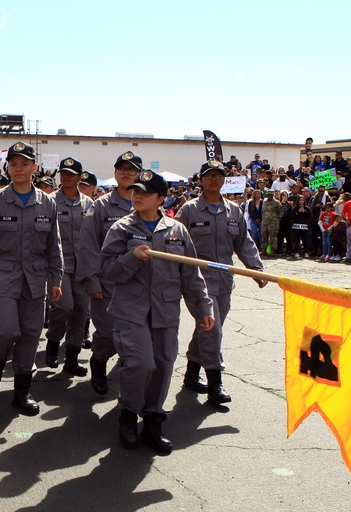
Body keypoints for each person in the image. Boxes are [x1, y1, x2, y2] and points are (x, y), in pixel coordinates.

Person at [100, 170, 214, 453]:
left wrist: (203, 307)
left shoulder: (177, 231)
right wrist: (131, 257)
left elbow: (191, 275)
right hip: (131, 309)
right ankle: (128, 413)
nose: (137, 196)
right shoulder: (122, 228)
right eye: (135, 191)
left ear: (161, 198)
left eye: (145, 193)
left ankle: (153, 420)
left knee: (163, 366)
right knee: (140, 364)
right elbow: (107, 271)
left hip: (165, 310)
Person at [0, 141, 63, 415]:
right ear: (7, 167)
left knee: (31, 335)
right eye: (13, 164)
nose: (18, 169)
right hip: (1, 280)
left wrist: (56, 278)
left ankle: (22, 391)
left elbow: (54, 246)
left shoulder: (47, 203)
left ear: (34, 167)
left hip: (34, 281)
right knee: (6, 331)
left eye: (24, 164)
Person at [177, 160, 265, 406]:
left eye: (219, 175)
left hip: (224, 281)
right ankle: (215, 382)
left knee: (207, 328)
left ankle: (191, 374)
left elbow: (244, 243)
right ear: (201, 180)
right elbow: (175, 243)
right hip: (197, 281)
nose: (214, 179)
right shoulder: (189, 210)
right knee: (211, 328)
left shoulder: (233, 210)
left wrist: (256, 269)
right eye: (209, 175)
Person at [76, 151, 139, 395]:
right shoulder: (100, 206)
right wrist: (91, 281)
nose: (126, 174)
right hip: (107, 284)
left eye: (131, 170)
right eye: (121, 169)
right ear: (114, 174)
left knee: (134, 335)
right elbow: (88, 245)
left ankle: (129, 374)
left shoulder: (147, 203)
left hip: (138, 286)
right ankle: (99, 362)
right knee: (107, 334)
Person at [45, 157, 92, 376]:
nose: (66, 177)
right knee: (64, 307)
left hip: (82, 267)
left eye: (72, 174)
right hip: (59, 265)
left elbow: (94, 237)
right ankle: (53, 342)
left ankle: (72, 357)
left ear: (80, 177)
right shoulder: (50, 201)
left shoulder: (88, 204)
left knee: (81, 312)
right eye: (63, 173)